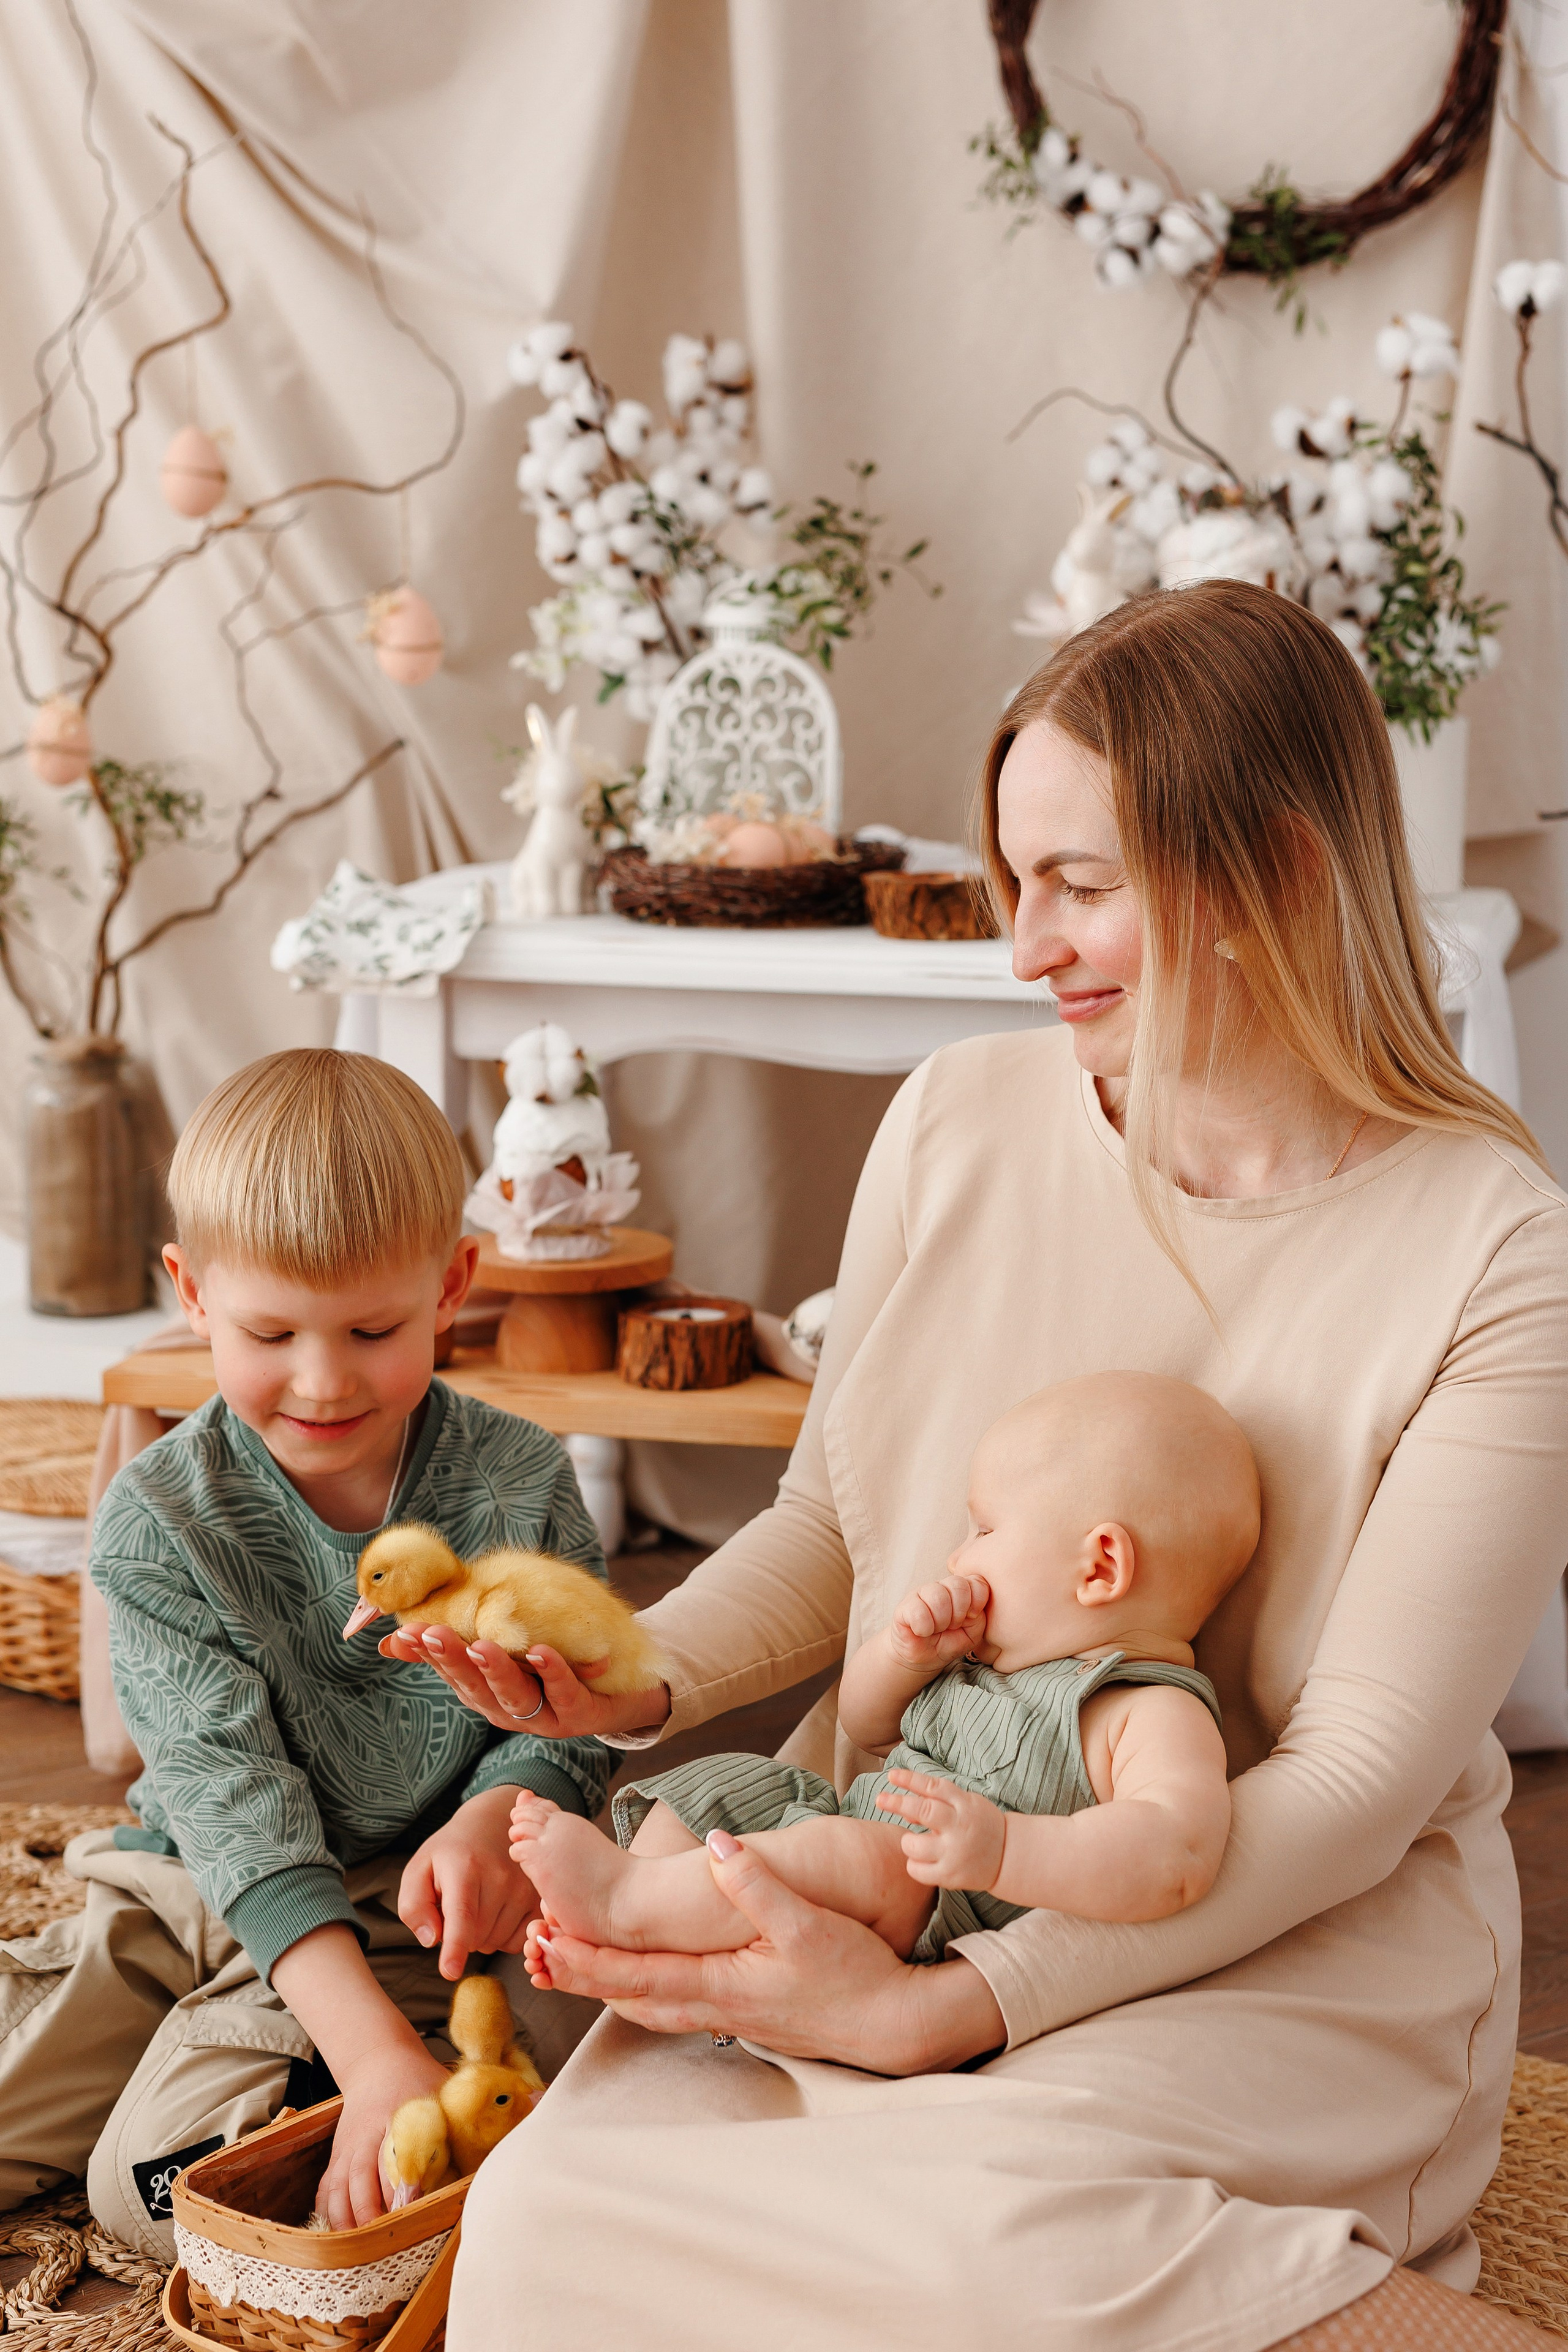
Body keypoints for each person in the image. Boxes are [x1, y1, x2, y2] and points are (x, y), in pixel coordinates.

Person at [410, 582, 1568, 2352]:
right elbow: (834, 1526)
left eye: (1082, 885)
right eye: (1015, 879)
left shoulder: (1497, 1255)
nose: (1026, 945)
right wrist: (633, 1684)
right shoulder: (956, 1118)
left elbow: (1342, 1795)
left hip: (1275, 1929)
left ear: (1271, 869)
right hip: (892, 1854)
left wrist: (939, 2013)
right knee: (551, 2235)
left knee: (998, 2258)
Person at [0, 1049, 606, 2255]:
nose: (323, 1382)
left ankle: (330, 2079)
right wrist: (368, 2047)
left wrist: (500, 1815)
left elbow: (574, 1713)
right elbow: (228, 1799)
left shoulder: (521, 1479)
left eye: (373, 1328)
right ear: (190, 1291)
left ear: (452, 1287)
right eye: (270, 1331)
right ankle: (303, 2043)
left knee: (154, 2199)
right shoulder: (158, 1514)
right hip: (192, 1884)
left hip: (412, 1902)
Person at [511, 1373, 1256, 1967]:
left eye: (985, 1529)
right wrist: (903, 1659)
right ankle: (642, 1902)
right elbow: (866, 1730)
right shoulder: (980, 1662)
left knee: (866, 1858)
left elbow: (1177, 1854)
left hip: (936, 1904)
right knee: (729, 1786)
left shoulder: (1147, 1709)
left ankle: (627, 1906)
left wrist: (1004, 1851)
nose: (958, 1556)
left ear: (1099, 1567)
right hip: (842, 1827)